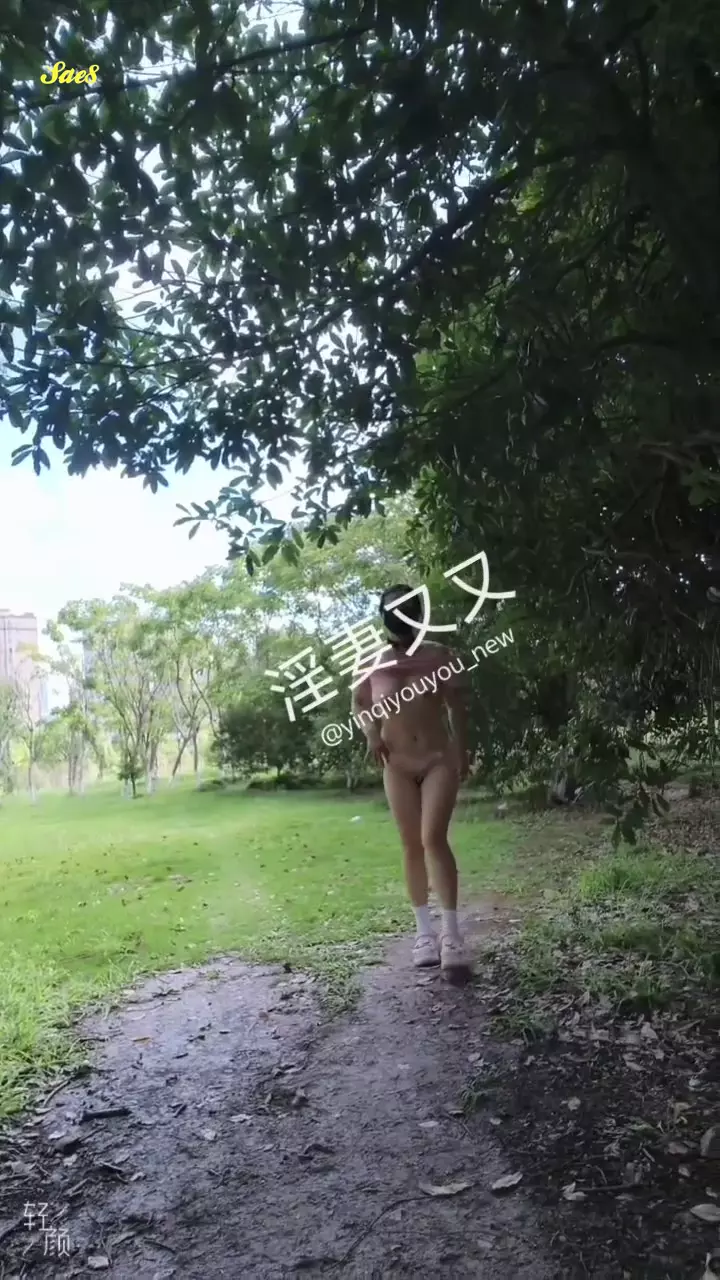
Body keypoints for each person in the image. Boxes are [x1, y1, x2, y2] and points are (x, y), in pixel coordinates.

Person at [352, 585, 471, 972]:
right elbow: (359, 704)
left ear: (418, 614)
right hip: (397, 763)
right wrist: (371, 733)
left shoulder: (440, 655)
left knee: (432, 837)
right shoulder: (372, 661)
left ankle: (451, 934)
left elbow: (457, 706)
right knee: (411, 844)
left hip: (437, 758)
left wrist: (462, 750)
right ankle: (424, 933)